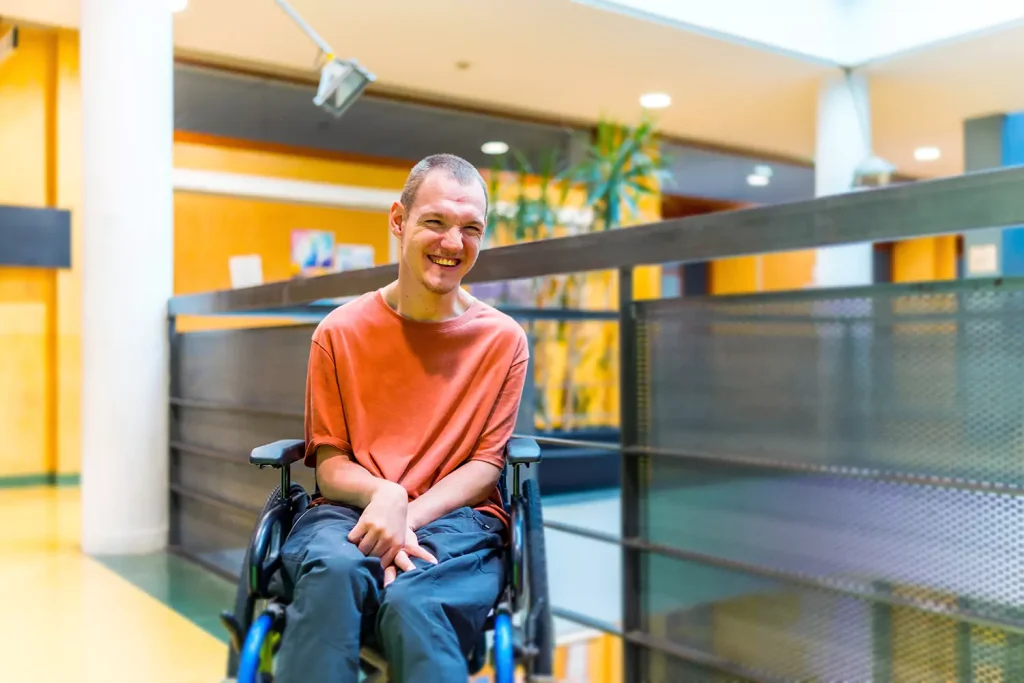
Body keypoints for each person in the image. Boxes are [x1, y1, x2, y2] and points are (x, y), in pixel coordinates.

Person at [273, 153, 530, 683]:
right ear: (398, 220)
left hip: (458, 520)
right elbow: (331, 466)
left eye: (471, 228)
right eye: (435, 221)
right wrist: (384, 497)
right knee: (335, 573)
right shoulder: (338, 333)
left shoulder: (504, 341)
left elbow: (485, 466)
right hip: (348, 510)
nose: (453, 243)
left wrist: (405, 519)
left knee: (417, 601)